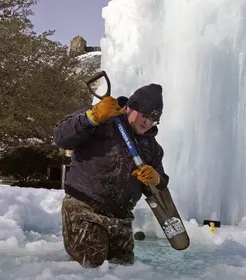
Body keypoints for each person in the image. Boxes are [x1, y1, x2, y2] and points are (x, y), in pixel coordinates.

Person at [52, 84, 169, 268]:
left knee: (124, 276)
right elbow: (60, 137)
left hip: (121, 220)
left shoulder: (152, 148)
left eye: (154, 120)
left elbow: (161, 185)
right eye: (145, 115)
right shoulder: (102, 117)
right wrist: (91, 118)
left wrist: (156, 179)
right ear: (131, 106)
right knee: (89, 271)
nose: (148, 123)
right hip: (85, 210)